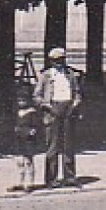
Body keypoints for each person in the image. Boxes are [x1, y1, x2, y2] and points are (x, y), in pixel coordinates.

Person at [34, 46, 82, 189]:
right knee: (52, 146)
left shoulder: (71, 74)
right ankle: (51, 179)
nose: (59, 63)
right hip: (52, 109)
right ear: (51, 61)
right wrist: (45, 105)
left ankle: (70, 177)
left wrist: (75, 103)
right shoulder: (46, 75)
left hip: (68, 108)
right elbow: (37, 95)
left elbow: (77, 92)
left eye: (61, 60)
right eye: (56, 60)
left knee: (69, 145)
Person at [10, 99, 43, 192]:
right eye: (19, 100)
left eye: (23, 100)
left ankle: (30, 183)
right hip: (19, 137)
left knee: (29, 161)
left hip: (28, 139)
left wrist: (31, 132)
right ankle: (20, 182)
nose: (21, 102)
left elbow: (35, 126)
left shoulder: (32, 112)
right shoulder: (18, 112)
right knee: (19, 161)